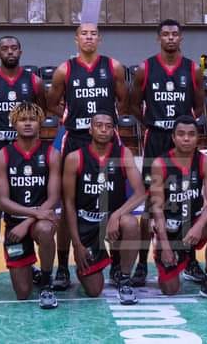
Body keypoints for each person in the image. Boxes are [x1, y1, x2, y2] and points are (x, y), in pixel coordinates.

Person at [46, 23, 128, 290]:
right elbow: (51, 102)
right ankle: (62, 267)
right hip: (76, 139)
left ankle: (117, 266)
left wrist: (108, 122)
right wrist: (68, 116)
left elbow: (123, 100)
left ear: (99, 39)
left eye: (93, 34)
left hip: (107, 140)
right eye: (84, 33)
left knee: (113, 200)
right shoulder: (64, 70)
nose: (89, 37)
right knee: (68, 204)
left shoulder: (113, 67)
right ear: (76, 39)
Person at [128, 19, 205, 287]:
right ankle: (141, 264)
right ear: (158, 38)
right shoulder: (145, 68)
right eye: (165, 34)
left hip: (182, 140)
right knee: (151, 204)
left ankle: (190, 259)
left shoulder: (193, 69)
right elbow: (133, 105)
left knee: (187, 200)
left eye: (174, 34)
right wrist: (152, 123)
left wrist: (182, 129)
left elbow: (199, 107)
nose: (170, 38)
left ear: (181, 38)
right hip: (156, 139)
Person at [0, 36, 46, 289]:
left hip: (26, 151)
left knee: (28, 203)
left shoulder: (34, 82)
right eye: (5, 48)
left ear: (20, 51)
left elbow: (41, 113)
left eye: (14, 48)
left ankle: (29, 262)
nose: (10, 52)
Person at [62, 112, 145, 304]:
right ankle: (90, 261)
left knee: (131, 223)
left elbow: (141, 193)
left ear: (113, 131)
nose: (103, 129)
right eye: (98, 125)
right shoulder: (75, 158)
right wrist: (77, 244)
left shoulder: (123, 154)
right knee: (94, 290)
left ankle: (124, 278)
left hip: (112, 221)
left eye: (108, 126)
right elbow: (69, 204)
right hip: (87, 223)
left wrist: (116, 215)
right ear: (90, 130)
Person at [149, 116, 207, 302]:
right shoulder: (160, 164)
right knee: (170, 290)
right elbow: (157, 208)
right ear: (173, 137)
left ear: (197, 138)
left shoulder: (206, 162)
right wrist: (165, 246)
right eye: (181, 134)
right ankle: (167, 252)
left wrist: (199, 226)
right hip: (170, 228)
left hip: (194, 222)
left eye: (191, 134)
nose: (186, 138)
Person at [0, 102, 60, 308]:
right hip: (15, 225)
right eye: (23, 120)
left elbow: (54, 198)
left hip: (40, 221)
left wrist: (29, 220)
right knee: (22, 293)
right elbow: (3, 201)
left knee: (46, 229)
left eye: (32, 119)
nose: (28, 123)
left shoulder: (52, 154)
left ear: (40, 123)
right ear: (14, 124)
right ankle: (30, 269)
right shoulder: (2, 155)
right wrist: (28, 218)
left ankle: (47, 282)